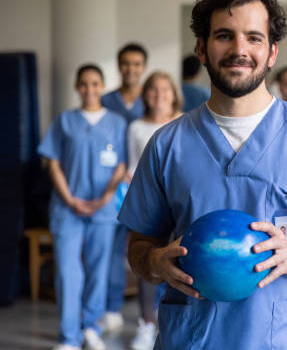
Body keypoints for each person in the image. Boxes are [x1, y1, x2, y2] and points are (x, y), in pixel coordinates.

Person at [118, 0, 287, 349]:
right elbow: (139, 244)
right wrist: (157, 261)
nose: (239, 49)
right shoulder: (167, 143)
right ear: (202, 49)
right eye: (224, 35)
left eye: (254, 38)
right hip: (194, 339)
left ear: (272, 53)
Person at [38, 64, 126, 350]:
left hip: (103, 209)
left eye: (95, 83)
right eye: (84, 84)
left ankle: (90, 326)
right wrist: (69, 199)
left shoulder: (117, 123)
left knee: (98, 271)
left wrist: (104, 198)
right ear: (77, 87)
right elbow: (53, 163)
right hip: (68, 210)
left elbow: (121, 165)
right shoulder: (65, 121)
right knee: (67, 271)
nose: (89, 89)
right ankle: (69, 337)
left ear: (102, 86)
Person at [126, 71, 182, 350]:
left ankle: (174, 322)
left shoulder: (187, 123)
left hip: (181, 204)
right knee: (149, 259)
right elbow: (131, 168)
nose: (159, 95)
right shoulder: (136, 127)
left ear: (174, 93)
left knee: (181, 261)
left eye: (165, 89)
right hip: (150, 202)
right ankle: (146, 324)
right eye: (153, 89)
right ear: (145, 94)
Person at [99, 42, 148, 333]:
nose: (131, 69)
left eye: (137, 64)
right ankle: (111, 309)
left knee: (147, 246)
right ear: (119, 66)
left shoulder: (153, 99)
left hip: (146, 188)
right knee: (113, 250)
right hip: (113, 187)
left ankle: (149, 317)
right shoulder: (105, 101)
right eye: (126, 63)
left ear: (143, 68)